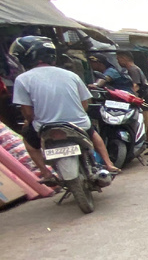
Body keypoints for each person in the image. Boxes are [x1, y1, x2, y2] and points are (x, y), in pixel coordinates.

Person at [9, 36, 120, 177]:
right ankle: (108, 163)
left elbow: (28, 114)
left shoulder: (22, 79)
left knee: (29, 142)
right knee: (93, 133)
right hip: (78, 124)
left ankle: (46, 173)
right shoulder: (71, 75)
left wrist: (28, 122)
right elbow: (84, 104)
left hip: (45, 128)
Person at [116, 51, 148, 155]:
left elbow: (135, 86)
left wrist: (132, 100)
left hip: (143, 102)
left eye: (118, 59)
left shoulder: (132, 69)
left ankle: (136, 151)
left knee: (143, 127)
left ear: (124, 58)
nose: (118, 61)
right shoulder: (137, 68)